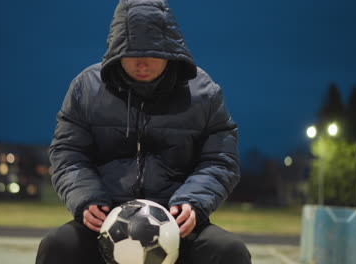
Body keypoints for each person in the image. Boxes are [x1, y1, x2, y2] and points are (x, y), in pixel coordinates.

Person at [36, 0, 251, 263]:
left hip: (177, 224)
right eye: (132, 53)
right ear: (117, 49)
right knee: (56, 246)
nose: (142, 63)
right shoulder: (86, 88)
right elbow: (68, 153)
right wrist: (86, 199)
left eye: (152, 53)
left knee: (230, 252)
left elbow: (220, 160)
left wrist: (193, 202)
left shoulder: (204, 93)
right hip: (105, 222)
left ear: (170, 49)